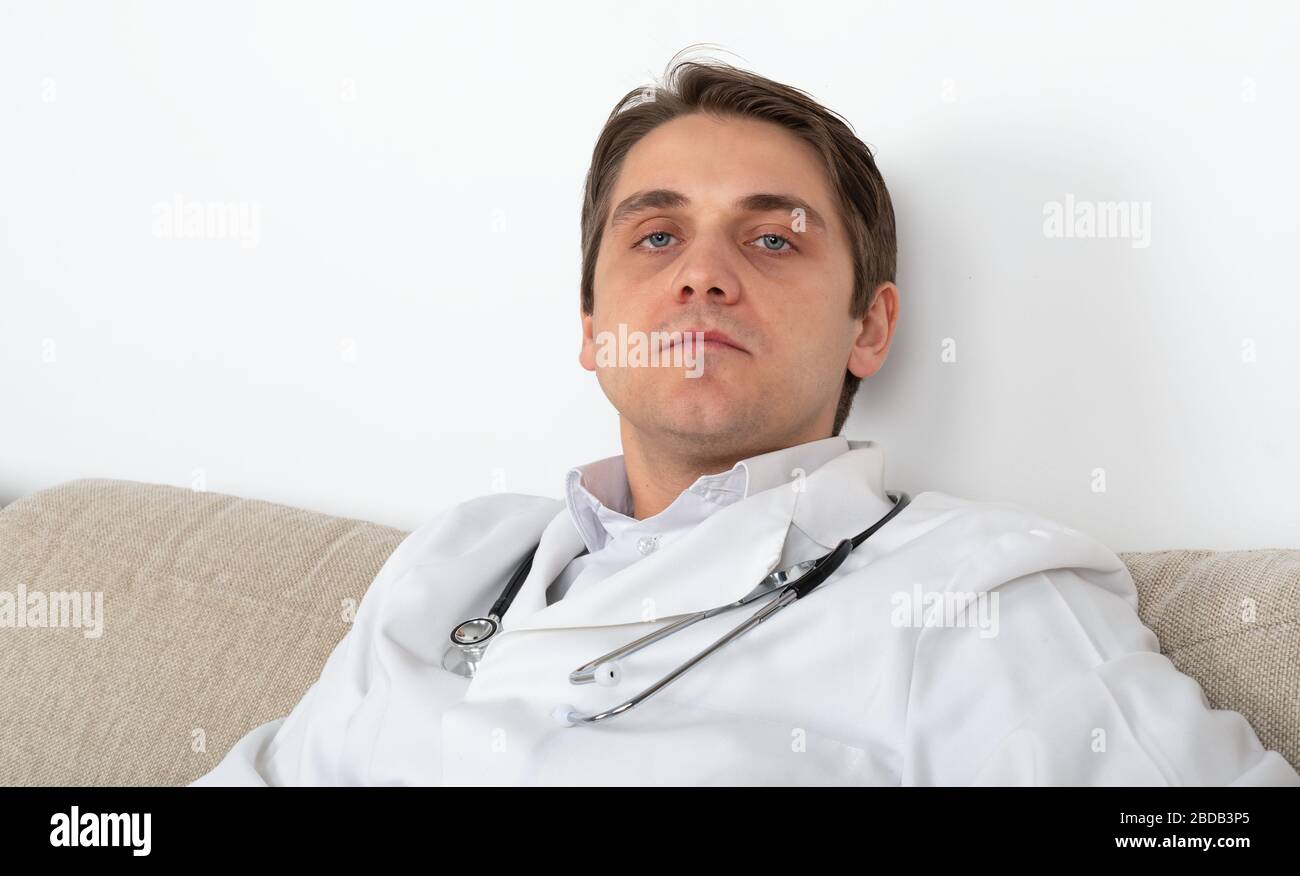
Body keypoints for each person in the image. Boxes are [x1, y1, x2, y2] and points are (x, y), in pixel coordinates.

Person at [190, 49, 1299, 786]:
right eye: (655, 234)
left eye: (773, 238)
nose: (703, 274)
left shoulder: (972, 593)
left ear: (870, 328)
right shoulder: (456, 559)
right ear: (590, 325)